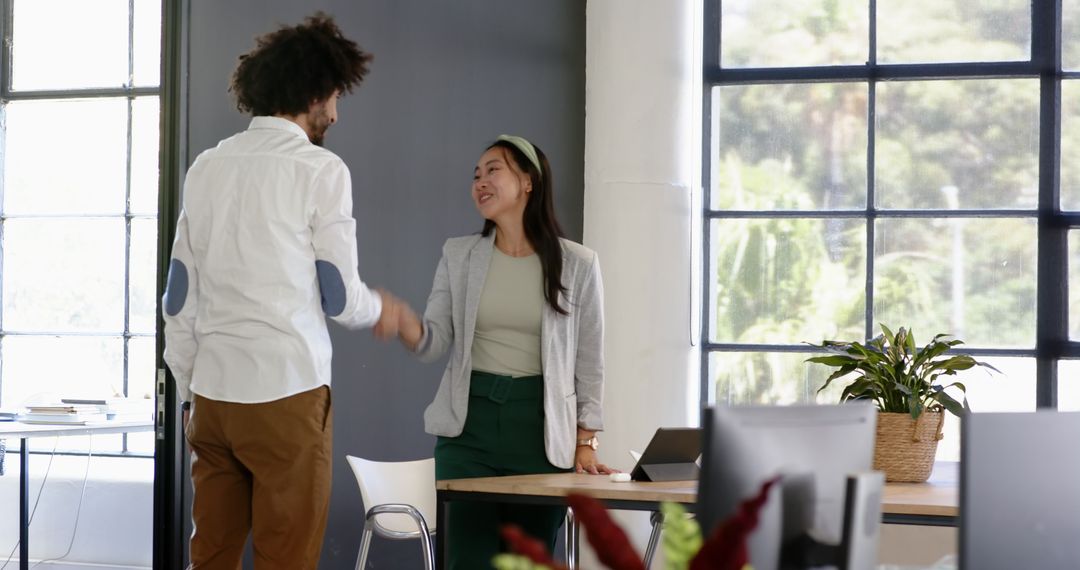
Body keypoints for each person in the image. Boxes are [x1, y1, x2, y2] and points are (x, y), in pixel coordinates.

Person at [161, 13, 399, 569]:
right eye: (335, 97)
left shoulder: (207, 167)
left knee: (211, 557)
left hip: (215, 397)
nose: (335, 113)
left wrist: (190, 388)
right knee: (285, 559)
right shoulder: (320, 169)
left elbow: (178, 294)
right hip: (286, 392)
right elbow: (339, 297)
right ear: (314, 92)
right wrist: (386, 311)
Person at [384, 135, 615, 569]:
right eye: (476, 175)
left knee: (528, 561)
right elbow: (433, 342)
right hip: (469, 430)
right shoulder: (459, 255)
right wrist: (405, 324)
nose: (480, 181)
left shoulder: (578, 263)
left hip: (541, 432)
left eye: (493, 170)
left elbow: (589, 359)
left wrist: (586, 440)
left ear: (528, 181)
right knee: (466, 561)